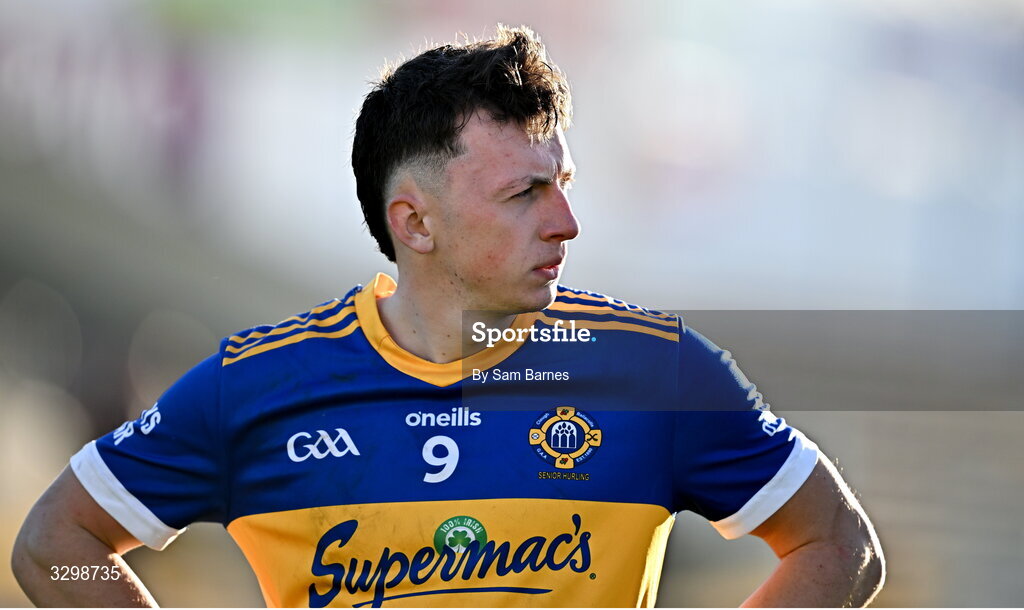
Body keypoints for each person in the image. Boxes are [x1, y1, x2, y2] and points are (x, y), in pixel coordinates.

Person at [12, 25, 884, 607]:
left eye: (564, 187)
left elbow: (839, 545)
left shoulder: (655, 371)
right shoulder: (261, 385)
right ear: (415, 222)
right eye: (523, 193)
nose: (565, 222)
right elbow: (61, 543)